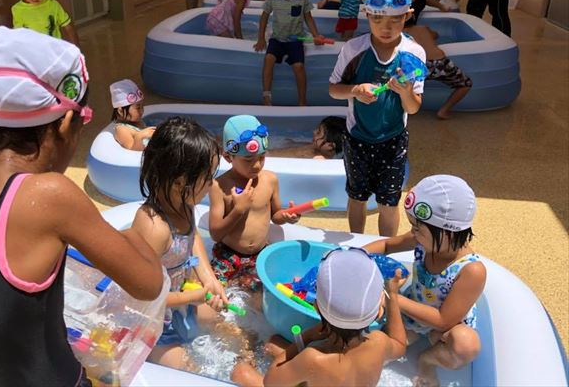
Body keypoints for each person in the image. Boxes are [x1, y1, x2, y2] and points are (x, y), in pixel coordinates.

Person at [0, 27, 164, 385]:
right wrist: (138, 232)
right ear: (66, 122)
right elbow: (147, 284)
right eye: (84, 120)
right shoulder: (51, 194)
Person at [122, 116, 229, 370]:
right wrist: (193, 296)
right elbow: (139, 297)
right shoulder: (154, 228)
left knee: (226, 327)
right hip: (152, 322)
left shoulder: (183, 203)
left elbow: (193, 239)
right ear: (180, 182)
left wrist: (208, 279)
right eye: (207, 177)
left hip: (181, 300)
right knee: (189, 370)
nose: (212, 183)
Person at [363, 175, 486, 387]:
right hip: (413, 315)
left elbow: (443, 320)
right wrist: (352, 255)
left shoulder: (471, 270)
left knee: (466, 345)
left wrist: (392, 298)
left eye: (417, 227)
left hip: (443, 330)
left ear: (448, 232)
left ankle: (427, 360)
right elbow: (387, 246)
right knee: (377, 351)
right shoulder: (422, 239)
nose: (413, 232)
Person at [328, 0, 426, 237]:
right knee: (357, 197)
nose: (386, 27)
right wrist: (355, 90)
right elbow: (333, 90)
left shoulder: (414, 54)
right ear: (366, 14)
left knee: (389, 202)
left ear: (408, 15)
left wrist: (406, 91)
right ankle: (357, 242)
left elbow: (413, 108)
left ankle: (386, 248)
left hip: (393, 140)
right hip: (357, 138)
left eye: (396, 19)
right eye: (377, 18)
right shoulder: (353, 49)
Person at [231, 248, 407, 387]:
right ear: (377, 313)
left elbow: (270, 381)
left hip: (309, 373)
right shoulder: (378, 342)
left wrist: (307, 336)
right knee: (273, 344)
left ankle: (244, 360)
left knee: (241, 372)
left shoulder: (313, 359)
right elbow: (399, 344)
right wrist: (392, 294)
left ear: (316, 307)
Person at [208, 115, 300, 291]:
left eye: (262, 157)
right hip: (227, 255)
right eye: (248, 160)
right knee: (215, 292)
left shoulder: (270, 180)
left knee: (260, 295)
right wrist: (238, 210)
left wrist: (287, 216)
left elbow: (275, 215)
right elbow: (215, 234)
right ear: (228, 157)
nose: (257, 165)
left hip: (260, 254)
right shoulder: (219, 186)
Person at [254, 0, 323, 106]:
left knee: (299, 67)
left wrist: (316, 35)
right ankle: (266, 96)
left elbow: (308, 17)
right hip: (277, 39)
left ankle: (302, 100)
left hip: (295, 40)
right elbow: (264, 17)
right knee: (268, 59)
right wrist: (261, 38)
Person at [404, 13, 472, 119]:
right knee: (465, 84)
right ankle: (444, 111)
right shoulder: (423, 28)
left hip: (418, 68)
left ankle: (404, 109)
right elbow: (436, 35)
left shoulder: (399, 35)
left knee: (400, 85)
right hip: (440, 63)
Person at [269, 116, 347, 159]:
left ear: (330, 146)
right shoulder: (317, 148)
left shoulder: (312, 156)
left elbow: (269, 155)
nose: (314, 131)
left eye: (318, 132)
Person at [110, 79, 156, 150]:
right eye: (138, 108)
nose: (142, 110)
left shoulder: (136, 121)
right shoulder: (122, 129)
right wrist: (139, 137)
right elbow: (132, 151)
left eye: (142, 106)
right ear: (121, 111)